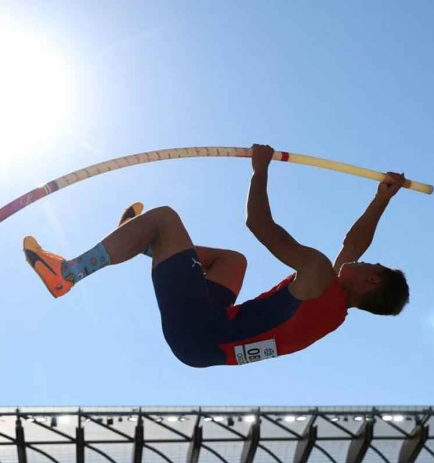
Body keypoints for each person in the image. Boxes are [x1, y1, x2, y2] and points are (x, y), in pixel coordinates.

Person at [23, 144, 409, 367]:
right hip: (211, 337)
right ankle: (142, 242)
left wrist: (260, 169)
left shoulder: (319, 273)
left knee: (164, 218)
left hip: (202, 332)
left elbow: (259, 224)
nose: (364, 260)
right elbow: (355, 246)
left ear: (373, 280)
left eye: (373, 266)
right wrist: (381, 198)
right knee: (232, 262)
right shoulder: (333, 307)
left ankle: (69, 273)